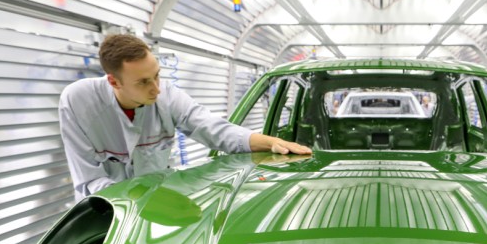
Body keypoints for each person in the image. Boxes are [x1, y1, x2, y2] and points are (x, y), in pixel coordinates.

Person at [59, 34, 311, 200]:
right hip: (105, 210)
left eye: (157, 75)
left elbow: (212, 128)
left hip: (154, 204)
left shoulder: (166, 96)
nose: (156, 89)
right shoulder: (77, 102)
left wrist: (269, 142)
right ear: (114, 81)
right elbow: (89, 179)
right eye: (144, 82)